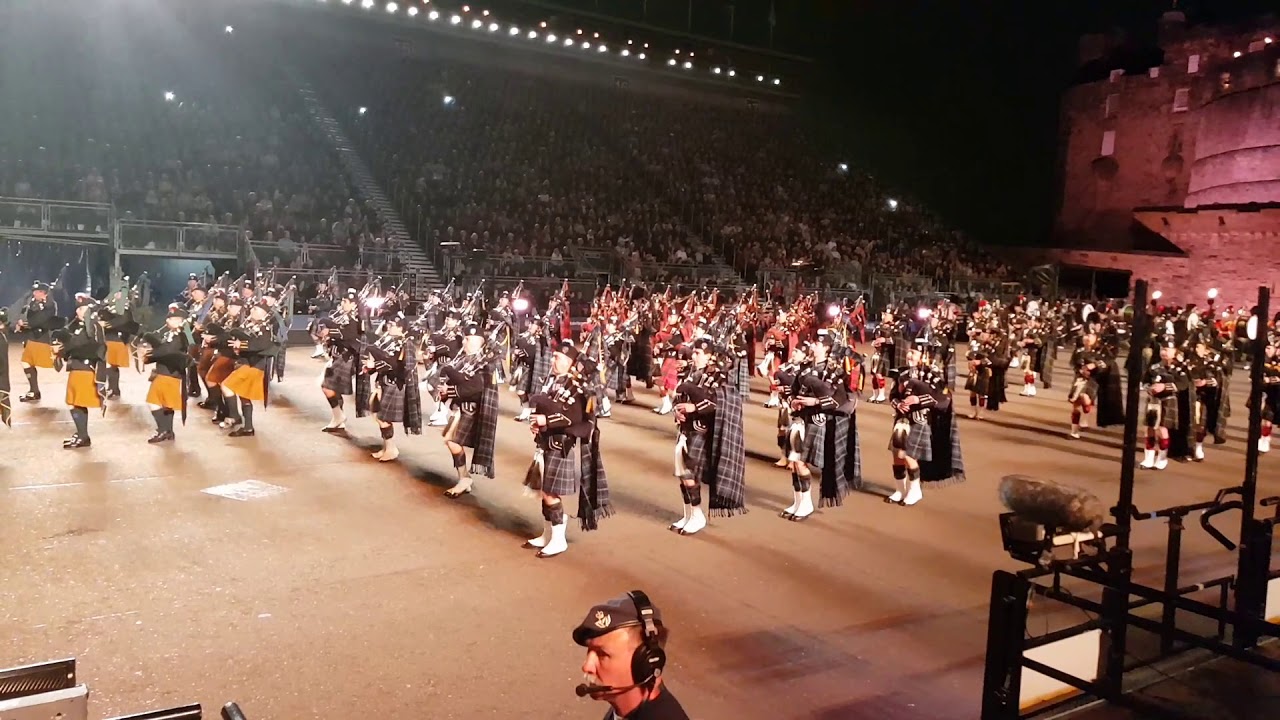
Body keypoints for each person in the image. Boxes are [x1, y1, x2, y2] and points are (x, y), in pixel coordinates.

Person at [573, 590, 690, 720]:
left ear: (647, 662)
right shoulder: (624, 712)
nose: (587, 666)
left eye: (602, 654)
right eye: (590, 651)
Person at [17, 281, 58, 403]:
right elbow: (27, 316)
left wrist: (26, 324)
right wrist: (22, 325)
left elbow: (41, 320)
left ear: (44, 293)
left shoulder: (49, 304)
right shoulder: (33, 302)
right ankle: (34, 391)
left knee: (28, 363)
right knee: (26, 363)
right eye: (34, 291)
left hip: (41, 339)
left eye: (37, 291)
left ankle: (34, 390)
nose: (34, 293)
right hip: (32, 338)